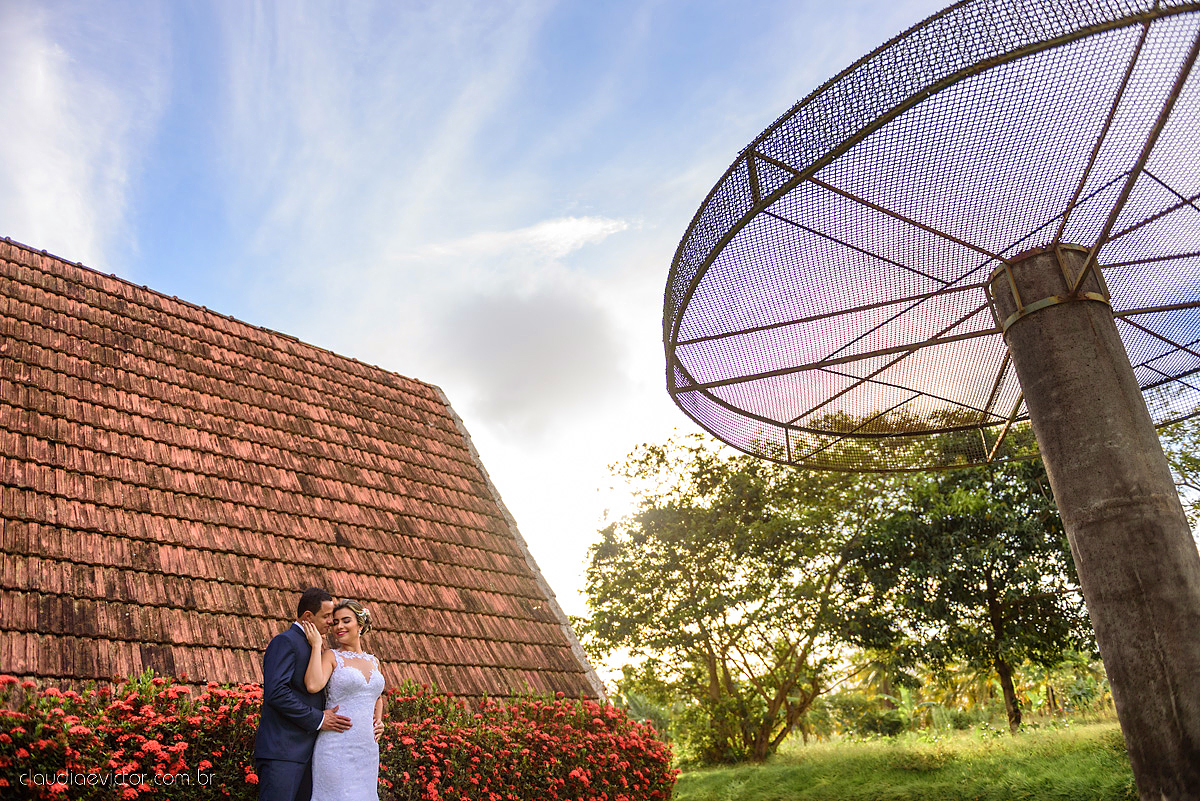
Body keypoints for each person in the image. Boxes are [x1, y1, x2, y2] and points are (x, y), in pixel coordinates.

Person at [254, 587, 353, 801]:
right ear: (308, 616)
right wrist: (319, 718)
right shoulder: (285, 642)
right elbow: (276, 693)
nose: (331, 622)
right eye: (326, 616)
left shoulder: (314, 646)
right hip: (282, 753)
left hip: (309, 754)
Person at [302, 599, 386, 801]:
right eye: (335, 622)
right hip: (336, 747)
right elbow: (313, 685)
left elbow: (376, 696)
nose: (339, 626)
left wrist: (379, 721)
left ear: (360, 625)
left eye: (346, 620)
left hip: (367, 749)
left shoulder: (374, 661)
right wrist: (316, 645)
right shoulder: (331, 656)